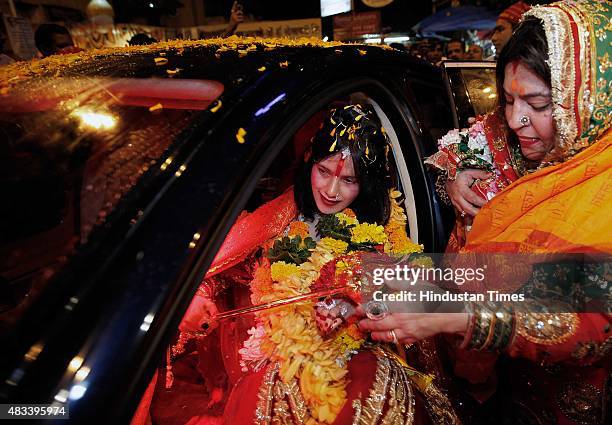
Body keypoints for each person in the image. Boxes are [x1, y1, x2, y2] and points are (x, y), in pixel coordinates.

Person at [360, 1, 611, 423]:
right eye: (509, 100)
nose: (515, 120)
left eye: (538, 103)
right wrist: (373, 277)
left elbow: (591, 316)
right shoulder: (531, 148)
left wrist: (452, 315)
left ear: (589, 97)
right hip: (512, 386)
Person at [133, 105, 460, 425]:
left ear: (368, 183)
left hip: (360, 358)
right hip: (280, 365)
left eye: (349, 180)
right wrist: (199, 293)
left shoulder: (381, 223)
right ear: (309, 162)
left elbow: (413, 288)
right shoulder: (282, 215)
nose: (332, 191)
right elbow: (223, 265)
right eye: (324, 172)